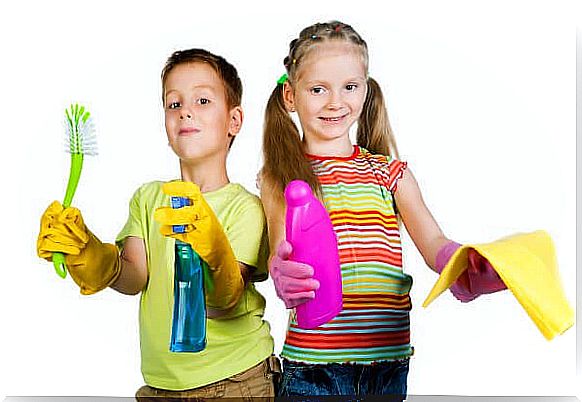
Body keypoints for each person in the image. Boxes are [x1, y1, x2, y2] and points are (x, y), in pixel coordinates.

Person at [260, 21, 506, 399]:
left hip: (388, 366)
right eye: (317, 89)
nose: (335, 102)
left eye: (350, 87)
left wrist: (469, 267)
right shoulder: (282, 177)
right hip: (314, 367)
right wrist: (281, 272)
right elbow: (281, 249)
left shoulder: (390, 174)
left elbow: (434, 243)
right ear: (291, 96)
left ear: (366, 89)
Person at [37, 48, 279, 400]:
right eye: (173, 104)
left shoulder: (246, 208)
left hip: (236, 380)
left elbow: (223, 301)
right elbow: (133, 276)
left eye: (203, 100)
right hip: (160, 386)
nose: (186, 112)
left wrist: (211, 249)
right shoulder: (149, 198)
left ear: (234, 121)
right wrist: (89, 254)